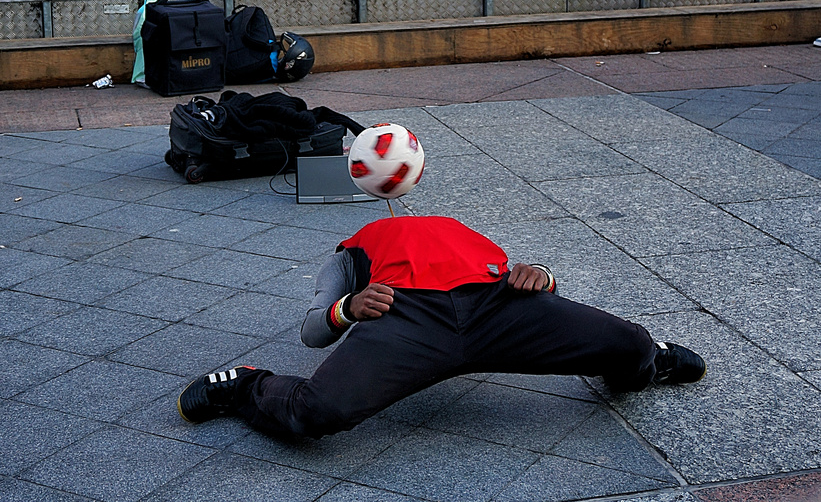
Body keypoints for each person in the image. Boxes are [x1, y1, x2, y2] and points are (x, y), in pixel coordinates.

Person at [176, 214, 706, 439]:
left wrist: (541, 273)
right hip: (405, 318)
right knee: (319, 412)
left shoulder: (456, 230)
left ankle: (648, 364)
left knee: (633, 344)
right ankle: (246, 384)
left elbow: (528, 278)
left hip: (497, 307)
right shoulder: (350, 250)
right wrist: (349, 307)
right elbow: (313, 331)